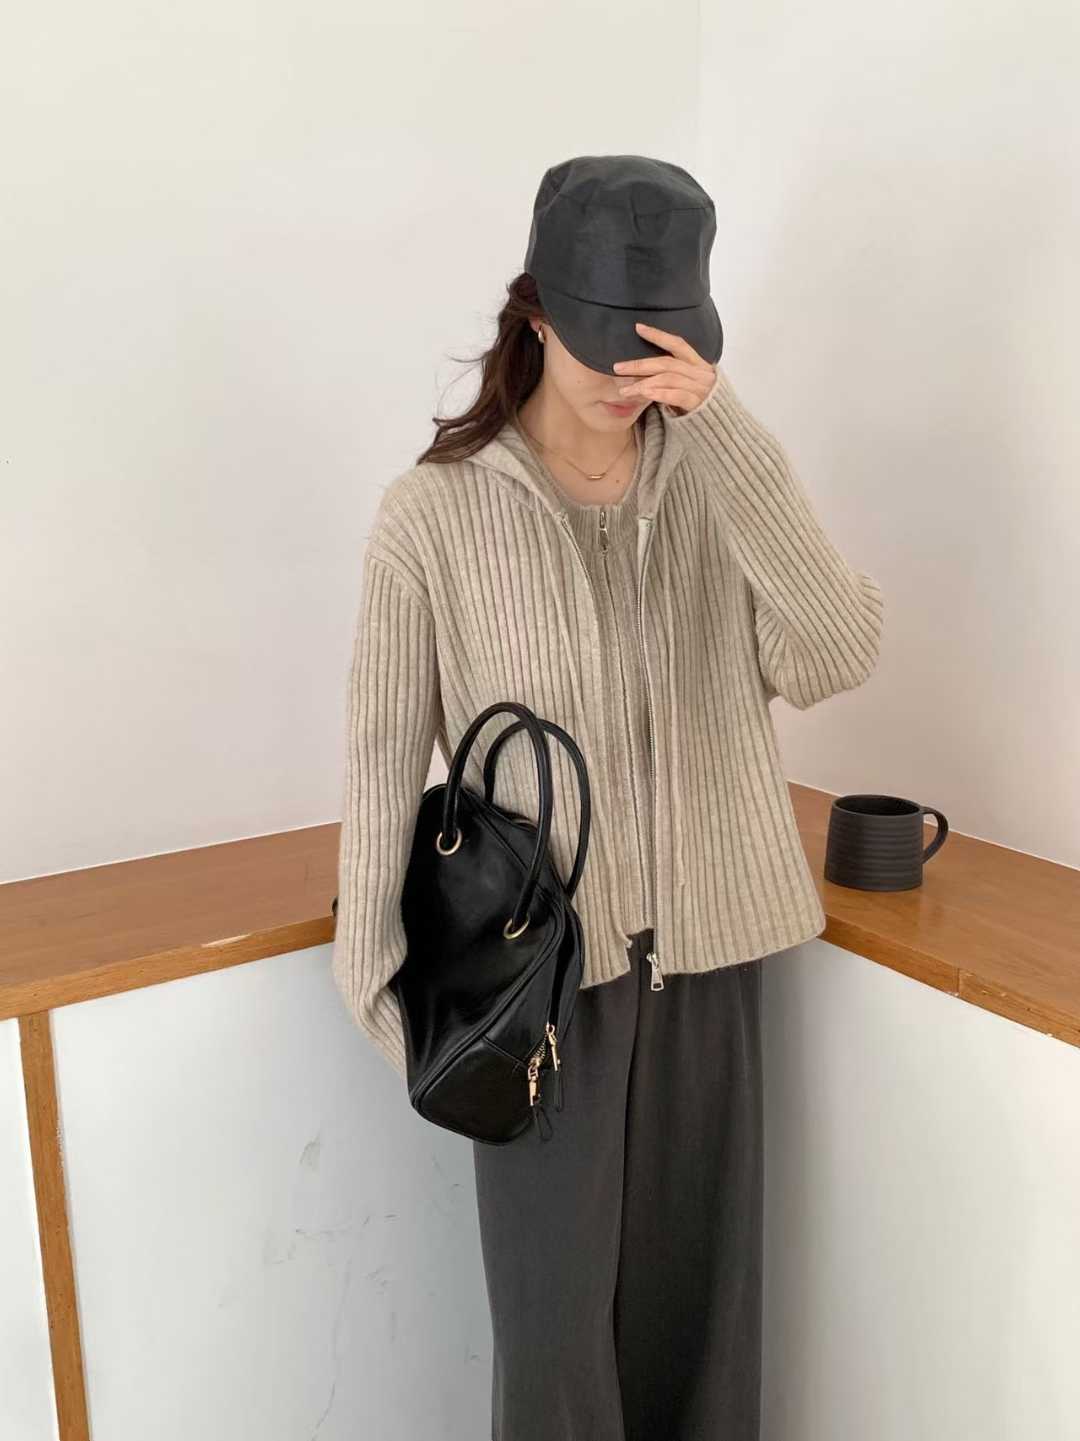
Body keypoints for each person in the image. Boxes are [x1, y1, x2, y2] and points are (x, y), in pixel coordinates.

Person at [332, 155, 885, 1441]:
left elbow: (836, 650)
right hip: (537, 983)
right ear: (536, 314)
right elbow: (379, 751)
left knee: (702, 1336)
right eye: (604, 338)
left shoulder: (715, 484)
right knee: (555, 1356)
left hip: (711, 960)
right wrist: (378, 979)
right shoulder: (431, 516)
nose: (631, 373)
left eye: (661, 342)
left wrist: (730, 433)